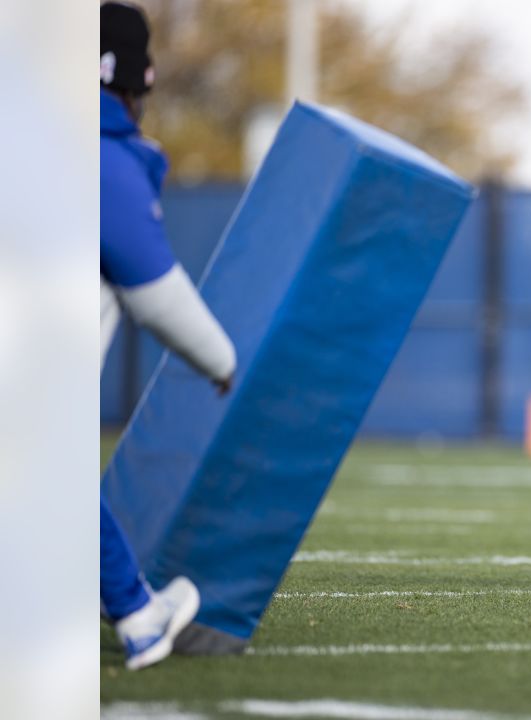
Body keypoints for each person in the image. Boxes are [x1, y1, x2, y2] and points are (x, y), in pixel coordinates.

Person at [99, 1, 237, 669]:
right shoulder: (100, 158)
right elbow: (157, 295)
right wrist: (220, 358)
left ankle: (134, 613)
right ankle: (138, 618)